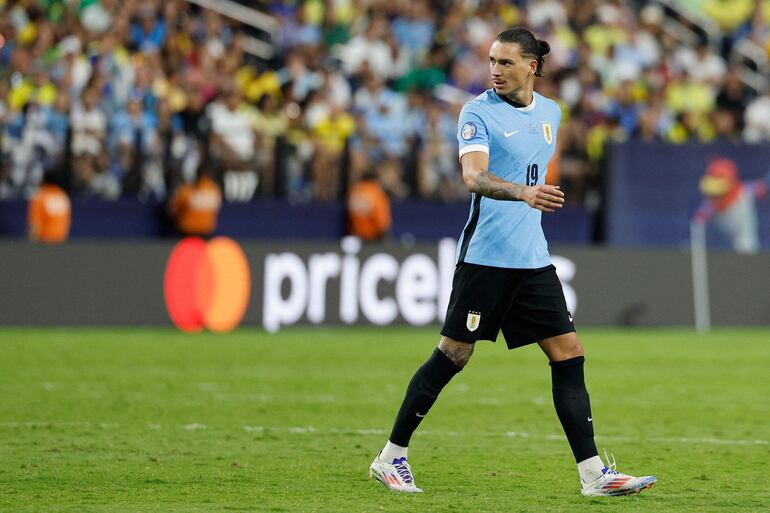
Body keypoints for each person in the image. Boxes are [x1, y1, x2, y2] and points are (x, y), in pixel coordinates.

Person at [368, 28, 656, 497]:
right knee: (454, 354)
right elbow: (472, 175)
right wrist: (523, 192)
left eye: (505, 62)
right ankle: (391, 457)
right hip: (485, 258)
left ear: (531, 66)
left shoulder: (550, 113)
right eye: (491, 61)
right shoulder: (477, 112)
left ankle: (593, 476)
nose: (495, 70)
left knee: (569, 353)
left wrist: (532, 193)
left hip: (533, 260)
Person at [694, 157, 769, 254]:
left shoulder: (746, 191)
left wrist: (765, 188)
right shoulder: (708, 205)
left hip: (747, 249)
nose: (716, 196)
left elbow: (763, 187)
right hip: (720, 251)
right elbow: (697, 225)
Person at [168, 166, 222, 237]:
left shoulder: (188, 190)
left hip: (189, 231)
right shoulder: (214, 189)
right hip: (207, 230)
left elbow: (173, 209)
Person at [347, 169, 391, 241]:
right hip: (374, 238)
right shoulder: (375, 193)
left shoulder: (354, 192)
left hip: (357, 236)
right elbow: (381, 221)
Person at [28, 170, 71, 243]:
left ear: (44, 180)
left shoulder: (40, 197)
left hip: (44, 241)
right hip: (60, 241)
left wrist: (32, 242)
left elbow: (35, 224)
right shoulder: (63, 196)